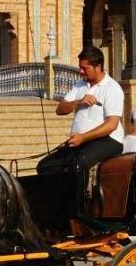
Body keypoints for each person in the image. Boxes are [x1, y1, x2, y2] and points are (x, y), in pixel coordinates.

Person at [37, 47, 125, 201]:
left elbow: (112, 125)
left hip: (109, 140)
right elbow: (60, 109)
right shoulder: (80, 85)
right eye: (80, 68)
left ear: (98, 67)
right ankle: (54, 203)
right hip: (80, 141)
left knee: (77, 164)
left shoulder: (112, 88)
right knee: (45, 166)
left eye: (85, 68)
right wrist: (78, 102)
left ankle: (77, 207)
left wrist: (83, 138)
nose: (81, 72)